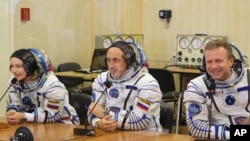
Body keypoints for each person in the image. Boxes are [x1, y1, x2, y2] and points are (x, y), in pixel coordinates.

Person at [87, 41, 165, 132]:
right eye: (108, 60)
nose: (111, 66)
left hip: (145, 136)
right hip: (112, 135)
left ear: (129, 62)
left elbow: (139, 121)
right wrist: (98, 123)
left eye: (116, 60)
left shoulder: (148, 84)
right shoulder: (102, 79)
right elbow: (92, 110)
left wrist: (105, 114)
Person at [183, 39, 250, 140]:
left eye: (218, 61)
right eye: (209, 62)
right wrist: (237, 135)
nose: (213, 66)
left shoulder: (248, 78)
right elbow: (196, 127)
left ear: (231, 61)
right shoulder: (196, 86)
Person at [6, 48, 79, 125]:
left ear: (30, 67)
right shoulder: (13, 83)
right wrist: (12, 112)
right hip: (35, 123)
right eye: (11, 66)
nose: (13, 70)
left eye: (18, 66)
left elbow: (52, 115)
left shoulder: (53, 86)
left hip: (62, 124)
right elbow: (16, 103)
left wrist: (24, 116)